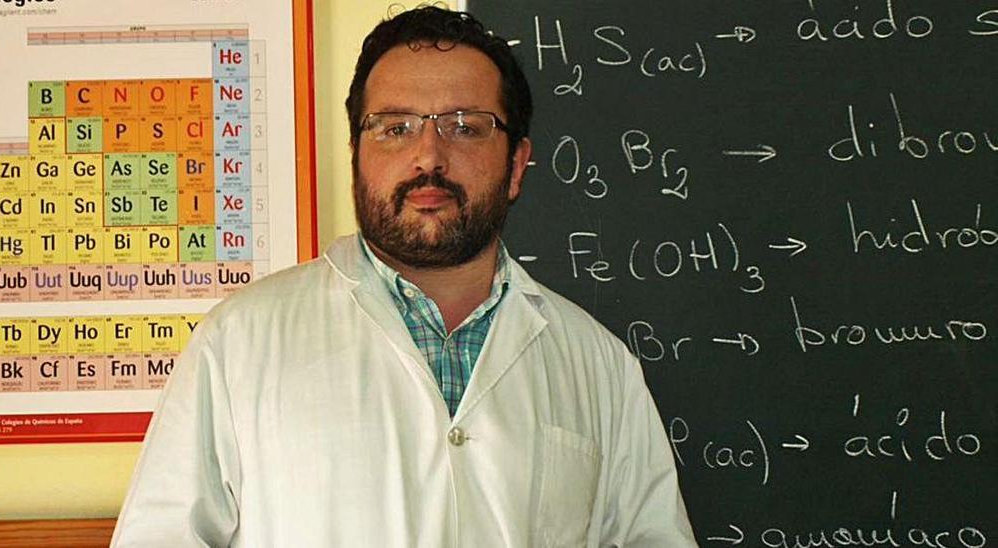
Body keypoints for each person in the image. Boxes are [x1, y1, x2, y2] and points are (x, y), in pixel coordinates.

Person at [111, 6, 696, 546]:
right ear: (356, 154)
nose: (428, 157)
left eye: (465, 126)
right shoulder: (237, 342)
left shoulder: (599, 365)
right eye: (394, 127)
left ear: (516, 164)